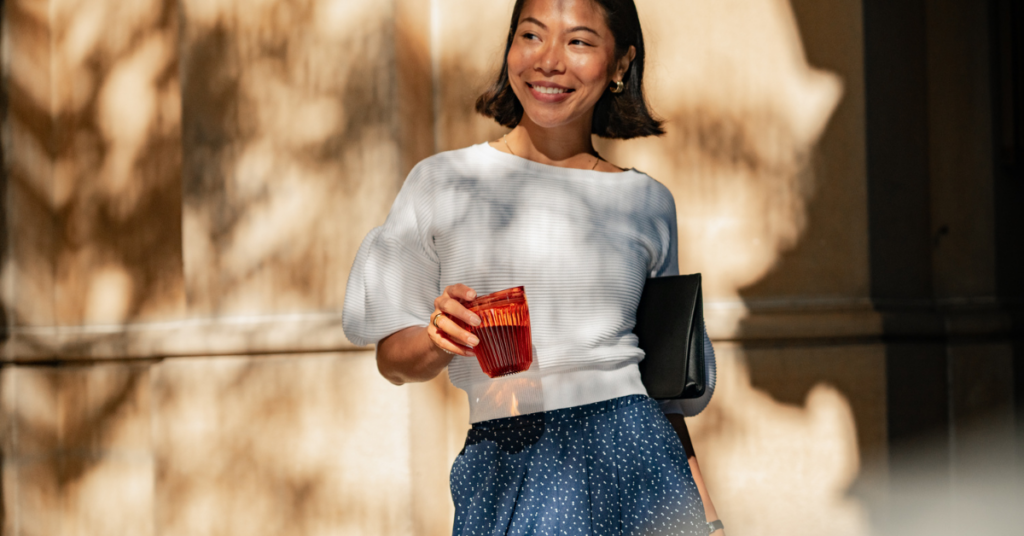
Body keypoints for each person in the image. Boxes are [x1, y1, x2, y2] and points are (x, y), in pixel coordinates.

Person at [342, 0, 724, 534]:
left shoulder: (647, 201)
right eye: (531, 35)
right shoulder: (442, 182)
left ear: (619, 65)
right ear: (509, 48)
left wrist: (706, 517)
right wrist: (438, 338)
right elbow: (393, 360)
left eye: (580, 41)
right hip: (508, 458)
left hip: (640, 459)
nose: (549, 60)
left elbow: (663, 389)